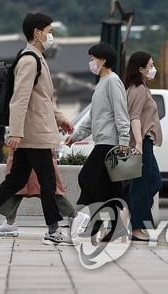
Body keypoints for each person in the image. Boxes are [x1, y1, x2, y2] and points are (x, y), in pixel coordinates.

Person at [0, 13, 74, 246]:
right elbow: (19, 99)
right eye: (49, 30)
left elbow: (43, 100)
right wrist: (15, 132)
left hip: (35, 130)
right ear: (37, 32)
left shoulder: (37, 58)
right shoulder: (29, 60)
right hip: (34, 133)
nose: (50, 35)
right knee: (47, 181)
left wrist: (61, 118)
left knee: (16, 180)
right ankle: (53, 231)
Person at [66, 43, 130, 240]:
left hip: (110, 144)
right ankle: (113, 227)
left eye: (92, 58)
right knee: (105, 188)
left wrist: (124, 141)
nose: (90, 62)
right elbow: (93, 117)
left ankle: (93, 224)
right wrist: (75, 136)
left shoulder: (112, 81)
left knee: (88, 178)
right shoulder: (101, 83)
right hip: (102, 142)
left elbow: (121, 113)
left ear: (103, 60)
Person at [124, 51, 163, 241]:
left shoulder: (142, 87)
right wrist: (138, 142)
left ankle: (133, 214)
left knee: (152, 181)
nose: (153, 69)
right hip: (142, 143)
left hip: (146, 142)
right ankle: (138, 227)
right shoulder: (138, 88)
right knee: (144, 183)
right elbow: (135, 116)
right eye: (150, 65)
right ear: (141, 69)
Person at [0, 154, 78, 237]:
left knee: (45, 188)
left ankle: (73, 216)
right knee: (16, 186)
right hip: (26, 148)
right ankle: (9, 223)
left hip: (34, 148)